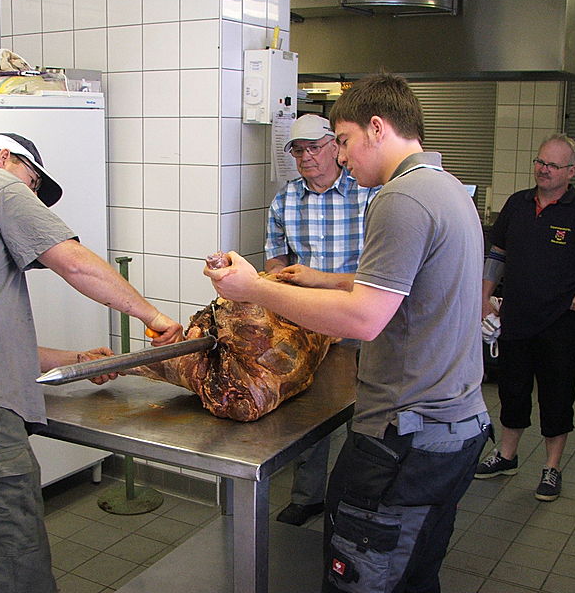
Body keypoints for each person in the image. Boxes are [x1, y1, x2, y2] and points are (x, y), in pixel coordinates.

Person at [205, 72, 489, 593]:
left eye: (343, 139)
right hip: (453, 424)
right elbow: (408, 285)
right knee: (412, 574)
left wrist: (253, 288)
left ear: (377, 128)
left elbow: (364, 318)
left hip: (406, 433)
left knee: (361, 577)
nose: (341, 155)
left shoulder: (401, 198)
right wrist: (325, 279)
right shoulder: (447, 188)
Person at [0, 132, 183, 593]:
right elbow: (74, 263)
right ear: (6, 158)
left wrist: (78, 360)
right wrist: (154, 317)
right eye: (33, 184)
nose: (31, 196)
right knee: (9, 570)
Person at [475, 134, 575, 502]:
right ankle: (507, 455)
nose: (543, 170)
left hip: (559, 324)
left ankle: (551, 468)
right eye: (540, 161)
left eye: (553, 165)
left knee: (556, 397)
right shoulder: (517, 204)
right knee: (512, 391)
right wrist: (483, 296)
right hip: (515, 319)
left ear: (571, 171)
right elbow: (498, 252)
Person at [266, 113, 379, 526]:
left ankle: (356, 501)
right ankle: (308, 496)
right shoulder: (286, 200)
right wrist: (279, 283)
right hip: (309, 324)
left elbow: (381, 269)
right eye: (298, 150)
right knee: (310, 410)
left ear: (335, 146)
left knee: (364, 410)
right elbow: (276, 258)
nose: (306, 157)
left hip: (359, 318)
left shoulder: (368, 194)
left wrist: (324, 282)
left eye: (314, 147)